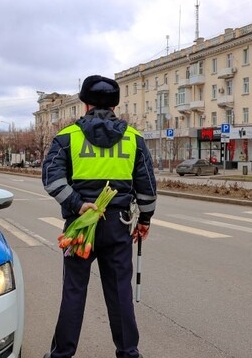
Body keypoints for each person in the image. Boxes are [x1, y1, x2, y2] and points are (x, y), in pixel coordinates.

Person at [41, 75, 156, 358]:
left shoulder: (66, 137)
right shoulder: (134, 139)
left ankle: (61, 355)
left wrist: (78, 205)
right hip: (118, 226)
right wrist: (145, 220)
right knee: (120, 293)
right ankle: (128, 352)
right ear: (116, 105)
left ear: (85, 104)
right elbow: (147, 186)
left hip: (80, 227)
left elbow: (51, 178)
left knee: (74, 290)